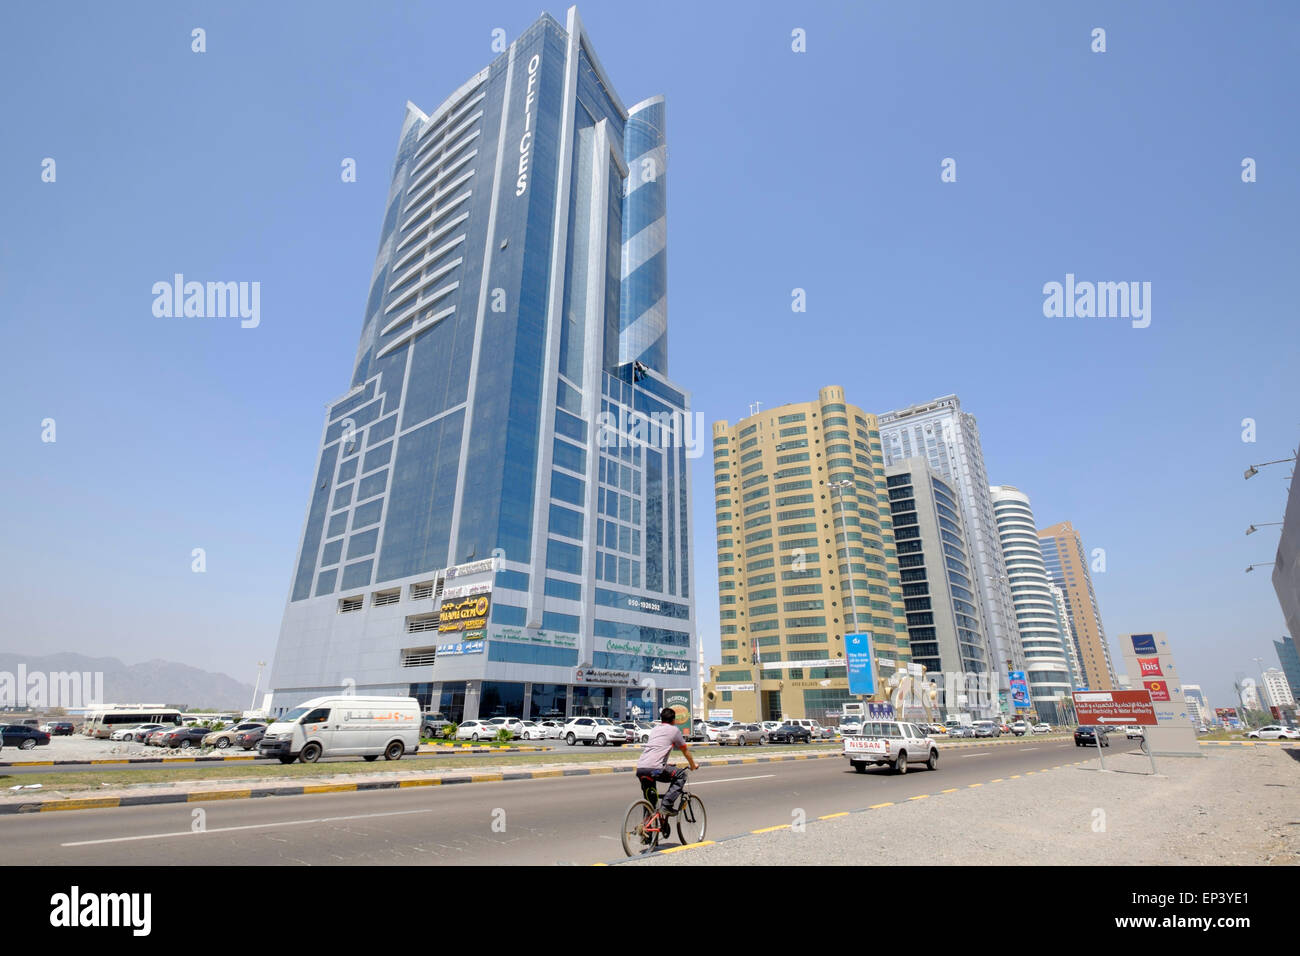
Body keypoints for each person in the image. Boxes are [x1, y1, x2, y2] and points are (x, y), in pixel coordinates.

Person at [635, 707, 698, 813]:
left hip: (641, 768)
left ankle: (646, 827)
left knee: (650, 800)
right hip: (656, 769)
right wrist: (692, 765)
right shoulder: (674, 730)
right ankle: (667, 805)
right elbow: (685, 751)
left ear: (662, 719)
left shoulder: (655, 729)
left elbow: (655, 750)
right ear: (673, 720)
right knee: (682, 775)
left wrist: (665, 763)